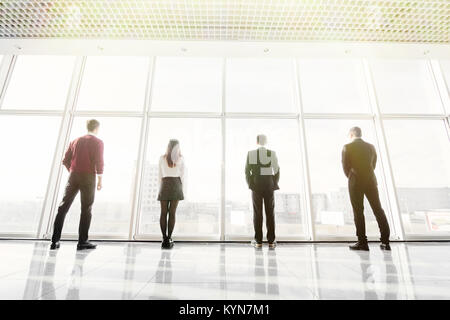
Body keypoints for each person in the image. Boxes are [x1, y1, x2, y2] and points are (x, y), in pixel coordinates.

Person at [50, 119, 104, 251]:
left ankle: (54, 241)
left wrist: (73, 171)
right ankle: (82, 242)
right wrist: (100, 180)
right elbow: (99, 162)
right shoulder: (98, 142)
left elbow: (65, 160)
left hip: (73, 176)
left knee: (63, 208)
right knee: (86, 209)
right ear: (96, 128)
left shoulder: (75, 141)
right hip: (88, 177)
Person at [342, 126, 390, 251]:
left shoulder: (347, 147)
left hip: (355, 182)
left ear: (351, 134)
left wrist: (352, 176)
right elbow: (373, 164)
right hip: (371, 181)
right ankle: (385, 242)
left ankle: (362, 242)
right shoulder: (371, 147)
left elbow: (345, 167)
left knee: (358, 212)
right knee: (378, 209)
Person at [245, 134, 280, 249]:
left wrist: (251, 184)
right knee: (270, 213)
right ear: (266, 141)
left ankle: (258, 241)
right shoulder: (271, 153)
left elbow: (247, 171)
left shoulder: (251, 154)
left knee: (257, 213)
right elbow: (277, 170)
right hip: (269, 185)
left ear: (257, 142)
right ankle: (271, 241)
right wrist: (274, 182)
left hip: (256, 186)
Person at [158, 139, 185, 249]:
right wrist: (180, 187)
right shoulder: (181, 159)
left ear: (168, 147)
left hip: (164, 184)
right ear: (177, 147)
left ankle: (164, 239)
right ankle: (169, 238)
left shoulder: (162, 158)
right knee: (172, 213)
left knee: (163, 212)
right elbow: (183, 175)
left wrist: (161, 186)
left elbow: (159, 174)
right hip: (176, 184)